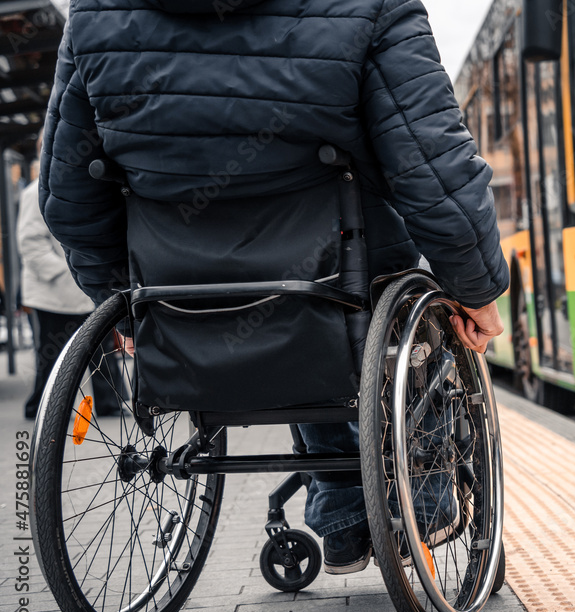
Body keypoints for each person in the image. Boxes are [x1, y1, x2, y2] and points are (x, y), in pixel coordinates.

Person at [39, 0, 509, 575]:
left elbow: (67, 196)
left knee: (305, 297)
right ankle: (427, 500)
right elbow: (435, 167)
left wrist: (121, 303)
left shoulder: (94, 13)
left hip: (178, 296)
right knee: (352, 293)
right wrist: (474, 287)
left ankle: (339, 517)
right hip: (339, 278)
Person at [18, 140, 126, 420]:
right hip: (53, 293)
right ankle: (41, 409)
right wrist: (69, 272)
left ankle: (110, 404)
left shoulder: (78, 185)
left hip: (82, 288)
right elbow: (30, 243)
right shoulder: (35, 192)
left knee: (101, 350)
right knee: (52, 358)